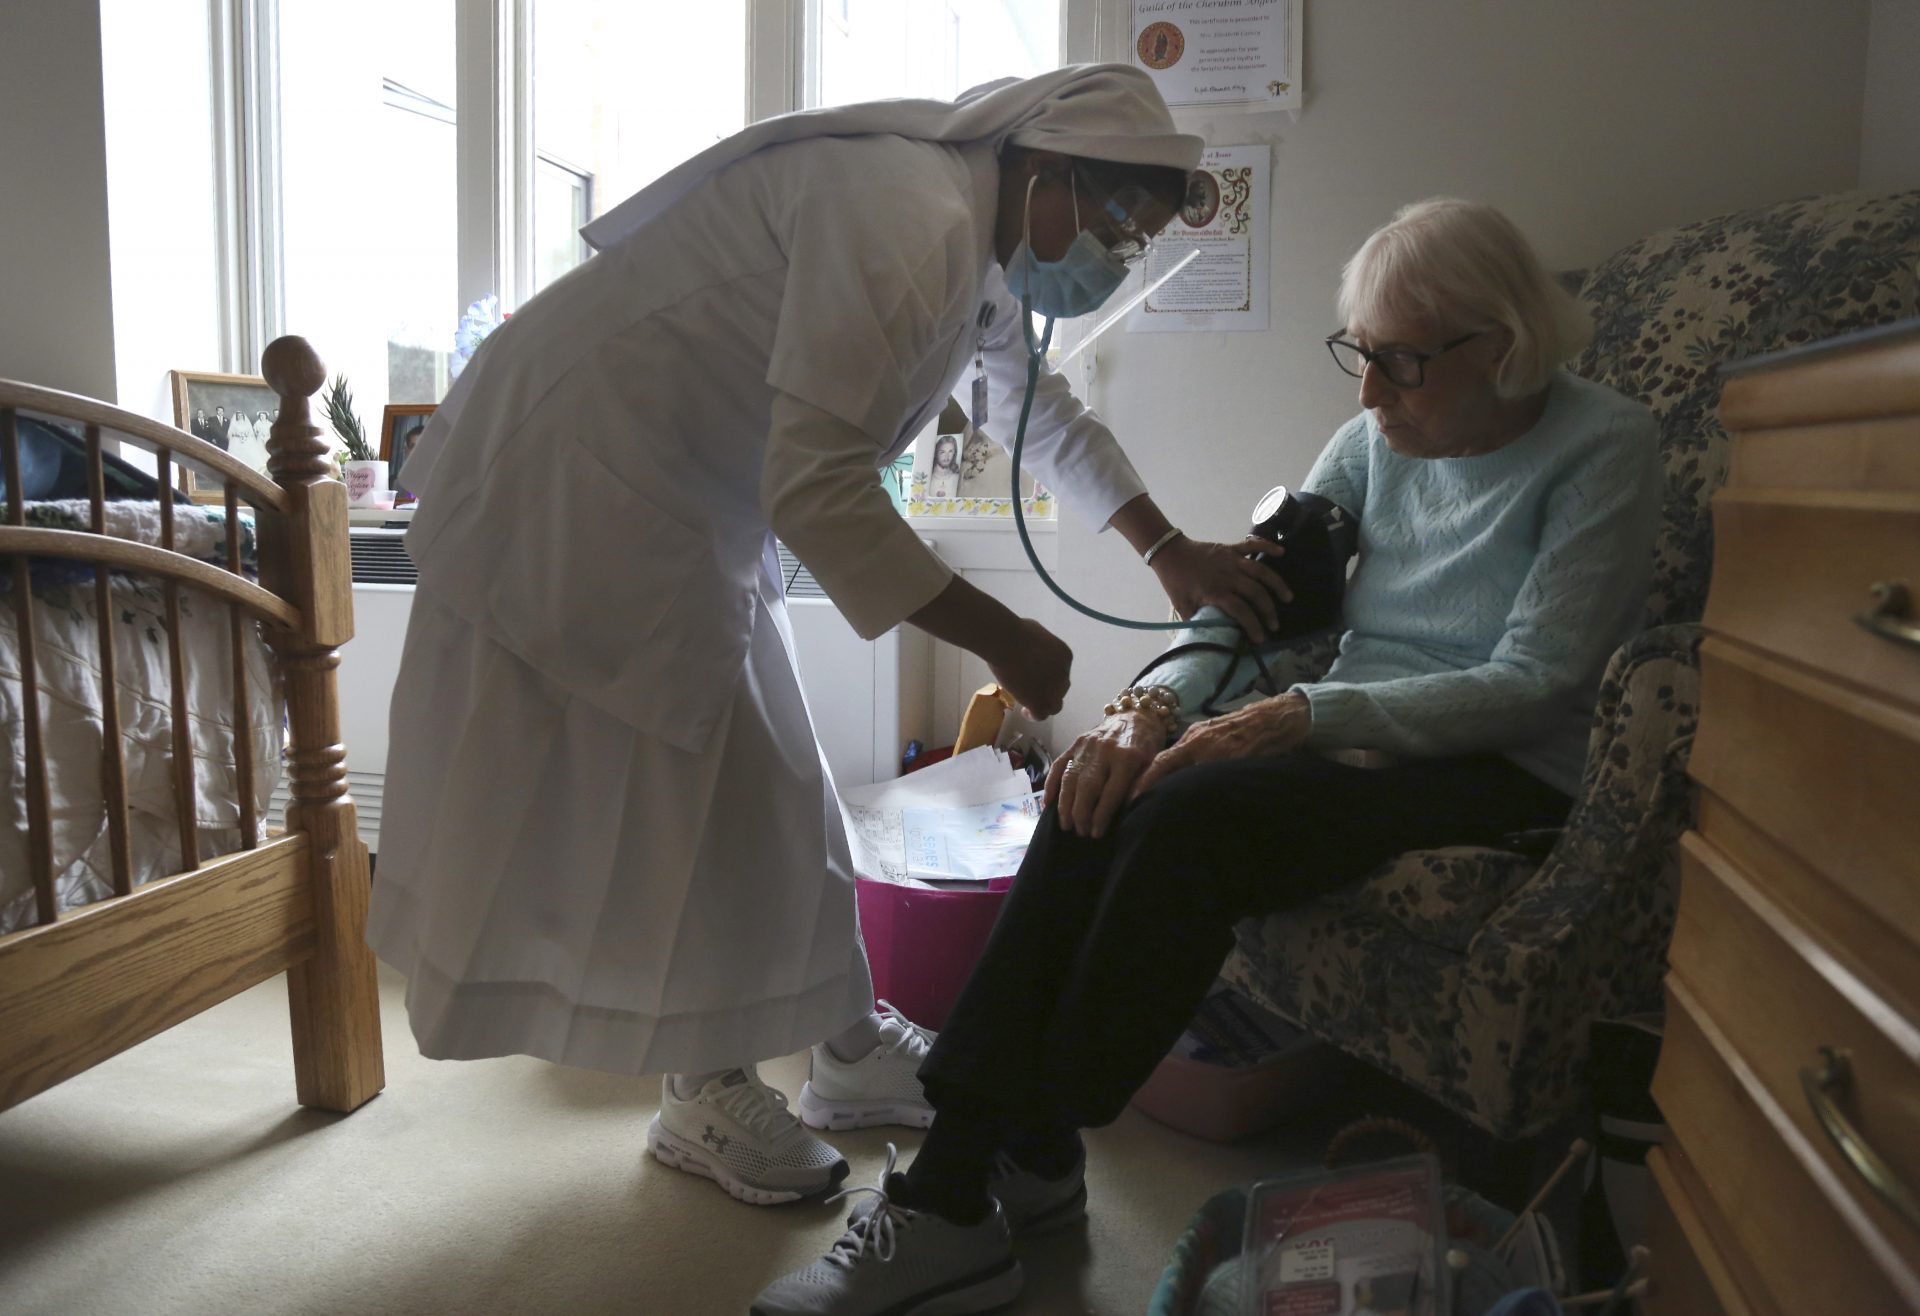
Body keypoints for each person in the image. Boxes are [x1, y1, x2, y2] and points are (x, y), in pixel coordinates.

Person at [367, 64, 1293, 1211]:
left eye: (1136, 243)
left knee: (775, 772)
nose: (1116, 256)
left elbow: (1035, 409)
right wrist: (1002, 634)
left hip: (681, 489)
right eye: (1115, 223)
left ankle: (843, 1042)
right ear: (1048, 174)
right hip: (580, 468)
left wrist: (1168, 552)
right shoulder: (909, 217)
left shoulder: (974, 248)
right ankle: (701, 1085)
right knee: (689, 791)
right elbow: (820, 491)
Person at [752, 197, 1661, 1314]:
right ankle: (1005, 1166)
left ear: (1505, 347)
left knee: (1191, 821)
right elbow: (1245, 606)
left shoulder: (1607, 446)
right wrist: (1144, 710)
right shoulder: (1373, 440)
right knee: (1104, 781)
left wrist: (1299, 719)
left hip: (1502, 760)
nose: (1369, 394)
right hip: (1350, 729)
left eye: (1403, 364)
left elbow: (1538, 679)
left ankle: (996, 1158)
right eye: (1361, 357)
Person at [926, 432, 962, 500]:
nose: (947, 456)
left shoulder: (957, 476)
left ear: (954, 453)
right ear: (936, 453)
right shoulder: (927, 474)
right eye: (942, 452)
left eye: (950, 451)